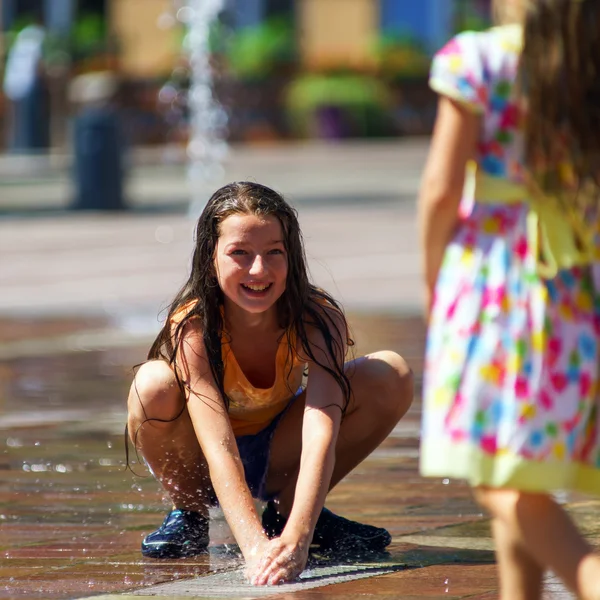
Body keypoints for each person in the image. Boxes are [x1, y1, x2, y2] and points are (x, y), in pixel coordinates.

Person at [127, 182, 413, 585]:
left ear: (291, 258)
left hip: (279, 452)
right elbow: (219, 448)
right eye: (239, 254)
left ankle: (287, 509)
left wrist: (298, 534)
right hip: (204, 462)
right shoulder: (193, 326)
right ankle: (188, 514)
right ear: (211, 259)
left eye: (273, 252)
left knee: (390, 373)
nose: (258, 270)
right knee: (152, 382)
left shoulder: (317, 318)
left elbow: (320, 433)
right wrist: (255, 549)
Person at [418, 1, 600, 598]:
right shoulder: (583, 61)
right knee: (514, 464)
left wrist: (431, 280)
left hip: (496, 283)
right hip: (571, 287)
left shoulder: (481, 59)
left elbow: (443, 189)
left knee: (490, 474)